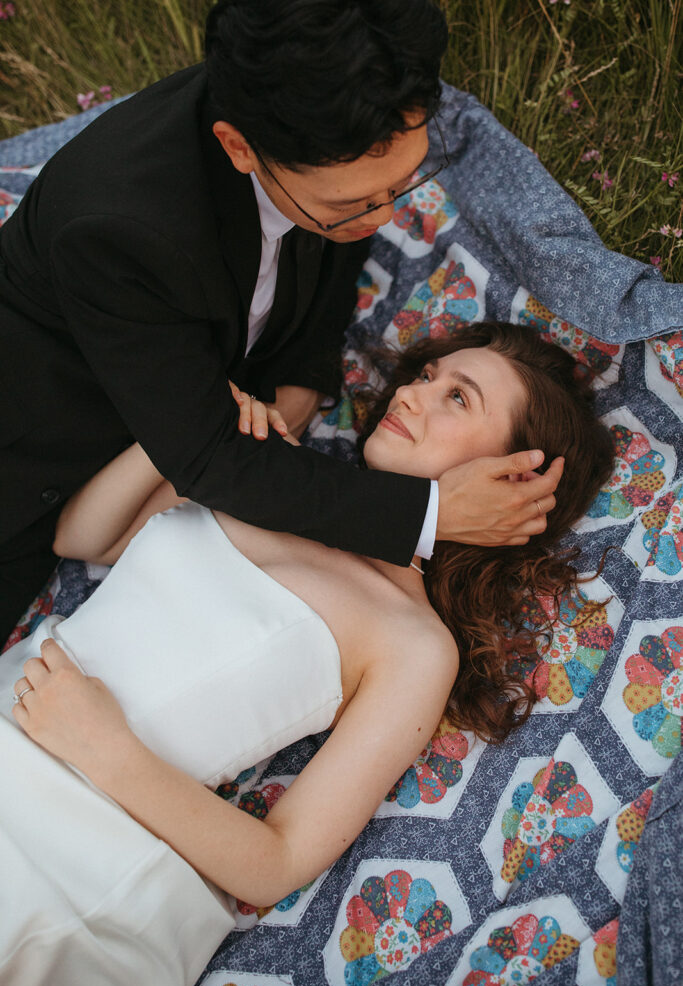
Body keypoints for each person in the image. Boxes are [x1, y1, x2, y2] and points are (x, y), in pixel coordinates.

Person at [0, 322, 611, 986]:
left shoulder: (412, 643)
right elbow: (82, 536)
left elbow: (278, 861)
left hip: (74, 841)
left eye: (457, 398)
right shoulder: (274, 473)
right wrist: (201, 433)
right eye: (423, 377)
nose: (413, 395)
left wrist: (103, 749)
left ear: (514, 480)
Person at [0, 0, 562, 646]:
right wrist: (431, 513)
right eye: (353, 203)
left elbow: (328, 248)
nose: (382, 218)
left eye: (401, 185)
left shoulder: (324, 115)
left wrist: (300, 378)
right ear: (238, 148)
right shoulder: (118, 228)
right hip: (30, 454)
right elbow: (208, 455)